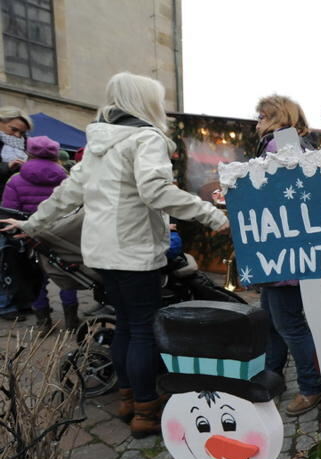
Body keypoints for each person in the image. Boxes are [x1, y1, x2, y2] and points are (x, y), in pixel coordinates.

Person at [1, 72, 229, 438]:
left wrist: (32, 224)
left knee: (125, 325)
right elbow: (156, 191)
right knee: (142, 329)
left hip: (102, 252)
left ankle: (127, 400)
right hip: (135, 251)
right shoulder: (146, 138)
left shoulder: (100, 142)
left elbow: (69, 192)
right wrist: (211, 214)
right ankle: (146, 410)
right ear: (145, 102)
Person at [254, 95, 321, 416]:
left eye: (260, 116)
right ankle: (273, 374)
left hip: (283, 253)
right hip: (284, 251)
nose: (257, 123)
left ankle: (312, 388)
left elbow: (275, 196)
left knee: (290, 324)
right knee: (272, 318)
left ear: (274, 117)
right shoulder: (296, 144)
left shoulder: (279, 146)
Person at [1, 135, 79, 332]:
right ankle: (72, 322)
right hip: (61, 235)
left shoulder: (16, 179)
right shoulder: (67, 179)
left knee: (35, 279)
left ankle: (44, 323)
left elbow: (8, 211)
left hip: (28, 237)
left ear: (29, 154)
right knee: (66, 276)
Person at [0, 107, 33, 188]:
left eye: (22, 133)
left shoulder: (27, 145)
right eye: (13, 129)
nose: (17, 135)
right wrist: (6, 167)